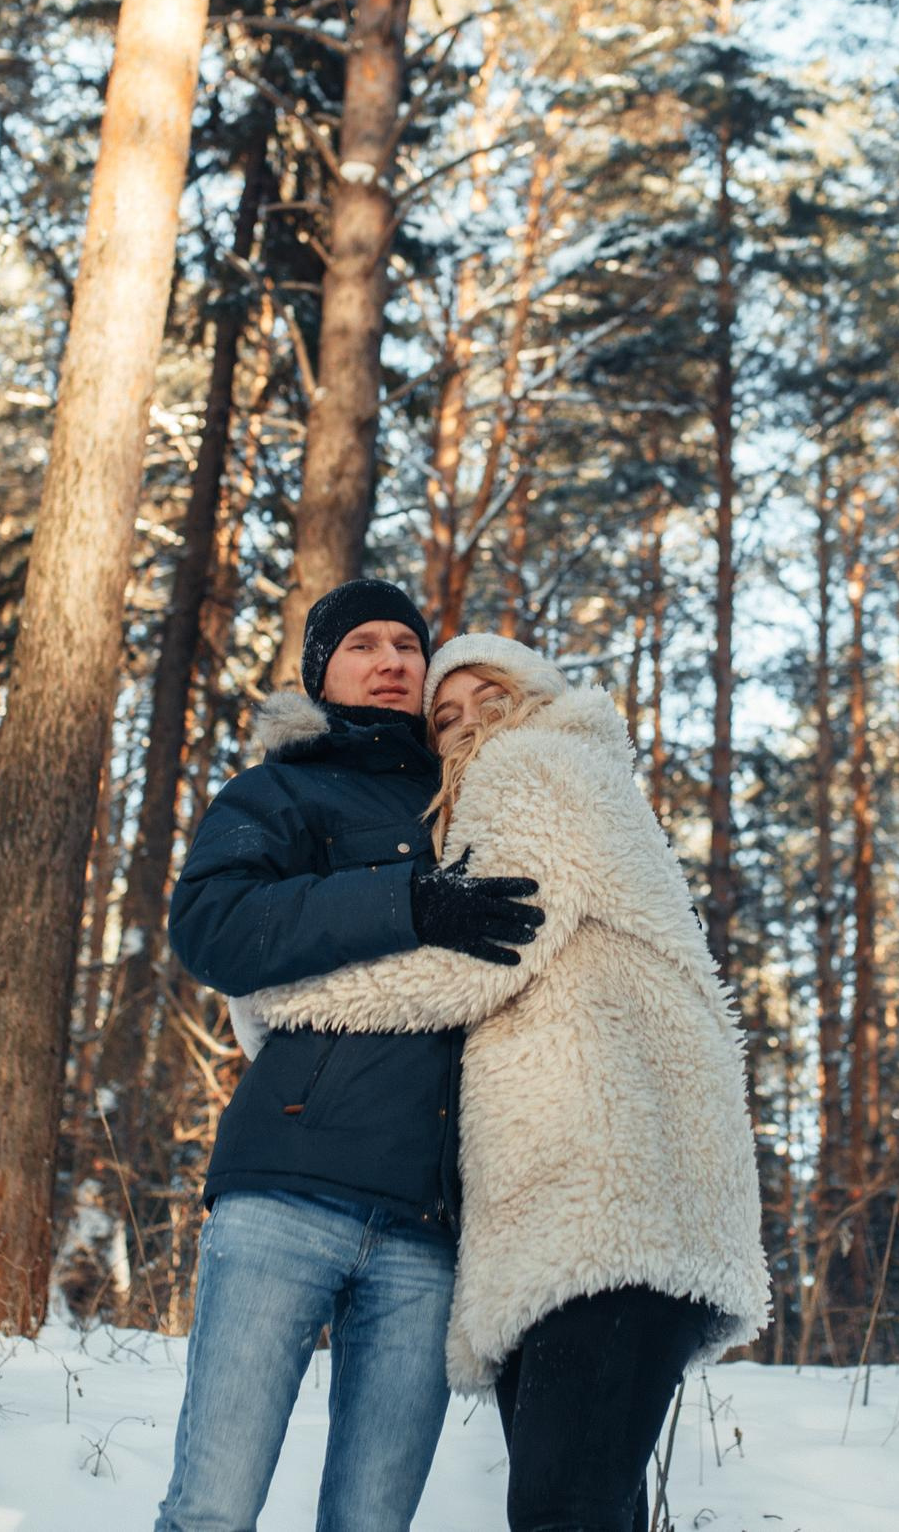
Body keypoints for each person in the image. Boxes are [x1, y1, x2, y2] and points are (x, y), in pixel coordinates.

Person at [240, 632, 770, 1532]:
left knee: (562, 1508)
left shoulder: (534, 768)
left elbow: (477, 958)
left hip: (609, 1205)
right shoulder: (570, 782)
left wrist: (287, 1000)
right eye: (445, 715)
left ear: (533, 697)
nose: (466, 723)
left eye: (489, 697)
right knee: (589, 1507)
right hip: (602, 1212)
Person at [153, 583, 547, 1532]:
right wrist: (402, 900)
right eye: (363, 644)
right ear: (321, 671)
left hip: (430, 1230)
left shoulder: (472, 795)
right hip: (286, 1185)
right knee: (212, 1509)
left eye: (407, 644)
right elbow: (212, 926)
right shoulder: (280, 790)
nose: (392, 660)